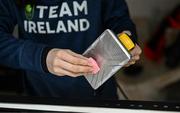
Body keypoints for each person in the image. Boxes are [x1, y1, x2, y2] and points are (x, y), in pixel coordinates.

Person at [0, 0, 142, 100]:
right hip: (40, 99)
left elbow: (120, 20)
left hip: (99, 98)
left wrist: (126, 40)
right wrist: (42, 57)